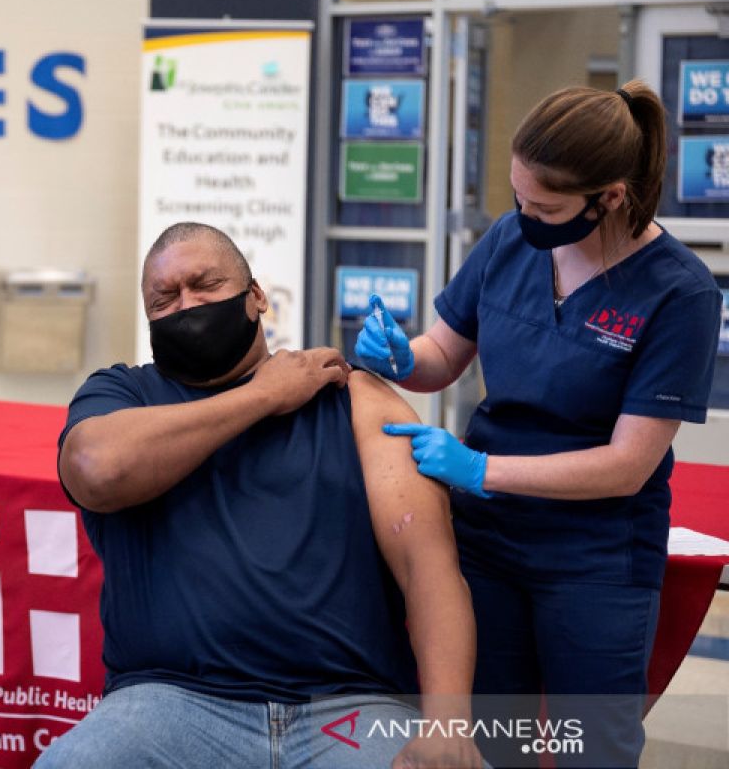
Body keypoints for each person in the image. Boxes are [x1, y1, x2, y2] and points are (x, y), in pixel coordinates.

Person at [355, 81, 722, 767]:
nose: (523, 216)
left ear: (609, 196)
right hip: (490, 543)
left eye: (544, 207)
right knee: (499, 741)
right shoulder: (509, 240)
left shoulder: (680, 293)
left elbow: (626, 464)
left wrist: (480, 468)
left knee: (594, 750)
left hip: (597, 558)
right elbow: (443, 356)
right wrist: (404, 357)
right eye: (518, 196)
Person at [37, 222, 483, 768]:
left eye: (206, 285)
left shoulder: (352, 397)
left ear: (255, 297)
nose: (188, 305)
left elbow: (429, 567)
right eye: (165, 299)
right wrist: (264, 395)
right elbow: (96, 470)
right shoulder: (124, 394)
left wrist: (447, 725)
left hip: (348, 711)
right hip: (169, 705)